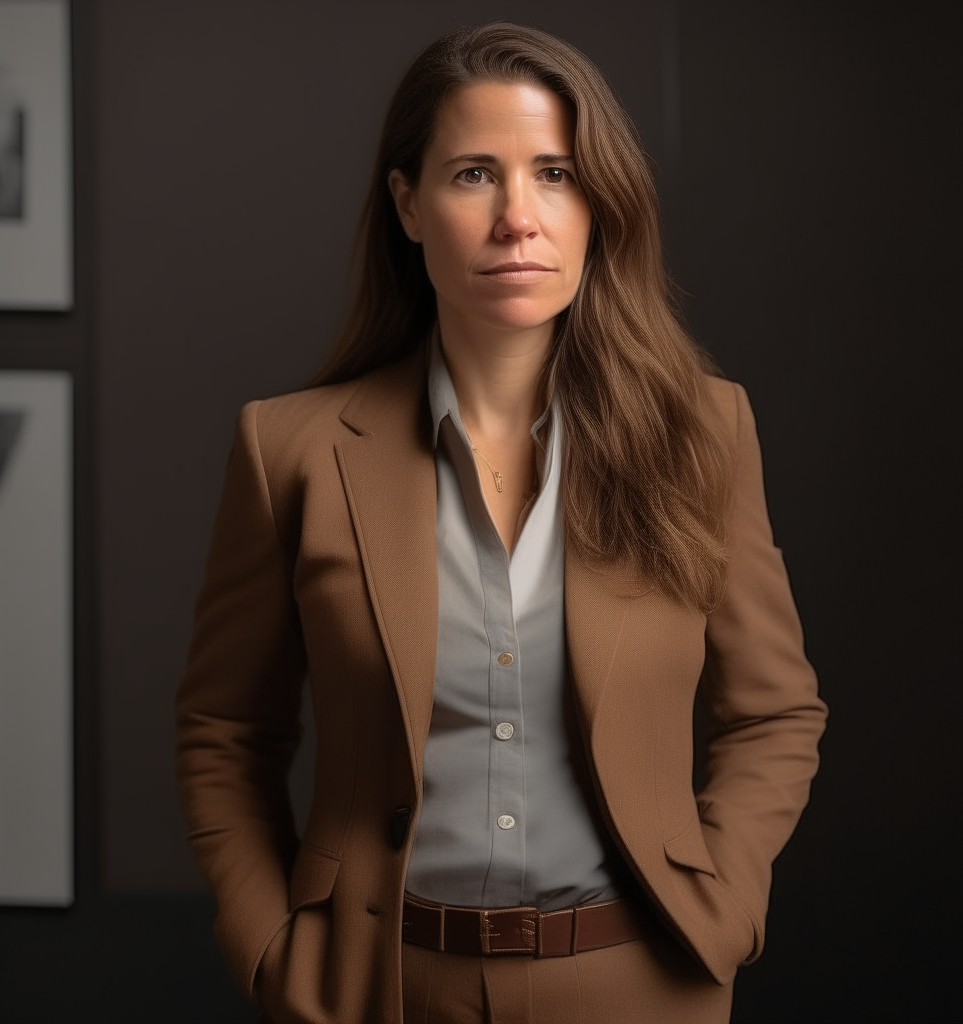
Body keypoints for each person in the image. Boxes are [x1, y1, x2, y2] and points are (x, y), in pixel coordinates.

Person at [175, 20, 827, 1024]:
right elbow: (224, 729)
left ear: (597, 205)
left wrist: (725, 902)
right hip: (377, 985)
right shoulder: (290, 450)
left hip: (637, 980)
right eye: (475, 174)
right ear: (408, 203)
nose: (517, 217)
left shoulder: (702, 431)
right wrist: (270, 948)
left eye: (556, 174)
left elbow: (775, 713)